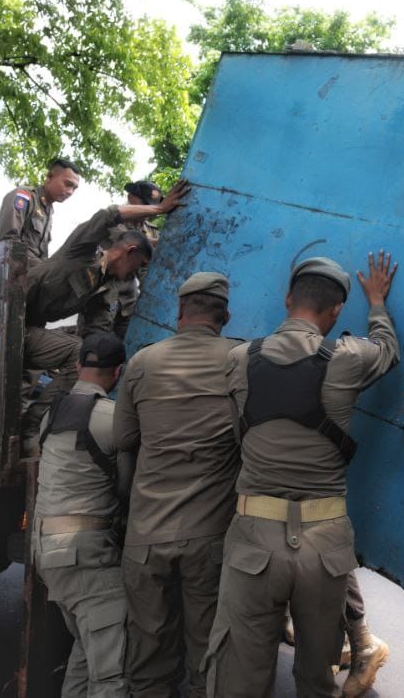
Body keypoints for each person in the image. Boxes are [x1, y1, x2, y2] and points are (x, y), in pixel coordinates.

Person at [204, 253, 400, 698]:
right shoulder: (349, 356)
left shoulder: (238, 358)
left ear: (288, 298)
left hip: (254, 538)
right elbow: (388, 350)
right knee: (316, 679)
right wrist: (376, 303)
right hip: (324, 545)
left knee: (239, 678)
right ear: (335, 312)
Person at [113, 271, 241, 698]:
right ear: (224, 315)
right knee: (209, 659)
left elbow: (124, 442)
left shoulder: (142, 363)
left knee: (148, 662)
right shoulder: (241, 360)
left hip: (146, 534)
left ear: (181, 310)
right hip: (209, 538)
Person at [32, 332, 133, 698]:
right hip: (86, 556)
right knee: (111, 673)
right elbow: (126, 488)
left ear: (77, 366)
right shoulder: (112, 419)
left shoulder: (50, 415)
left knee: (85, 656)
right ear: (118, 372)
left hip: (48, 552)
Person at [20, 230, 152, 449]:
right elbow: (104, 218)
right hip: (6, 322)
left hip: (30, 330)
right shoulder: (83, 254)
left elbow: (97, 332)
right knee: (75, 353)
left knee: (81, 355)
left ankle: (33, 422)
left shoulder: (107, 288)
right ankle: (31, 425)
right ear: (130, 252)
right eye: (138, 264)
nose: (136, 272)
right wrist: (157, 210)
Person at [56, 180, 190, 339]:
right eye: (145, 204)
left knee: (124, 343)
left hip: (128, 299)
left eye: (151, 205)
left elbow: (146, 268)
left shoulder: (150, 230)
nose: (148, 211)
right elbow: (127, 240)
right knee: (92, 344)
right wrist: (161, 239)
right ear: (132, 197)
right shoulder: (115, 221)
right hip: (102, 296)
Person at [0, 158, 82, 264]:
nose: (70, 192)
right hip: (4, 271)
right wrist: (43, 269)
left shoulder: (48, 211)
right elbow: (8, 241)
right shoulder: (24, 197)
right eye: (68, 184)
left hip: (29, 273)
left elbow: (42, 254)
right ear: (49, 177)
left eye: (74, 188)